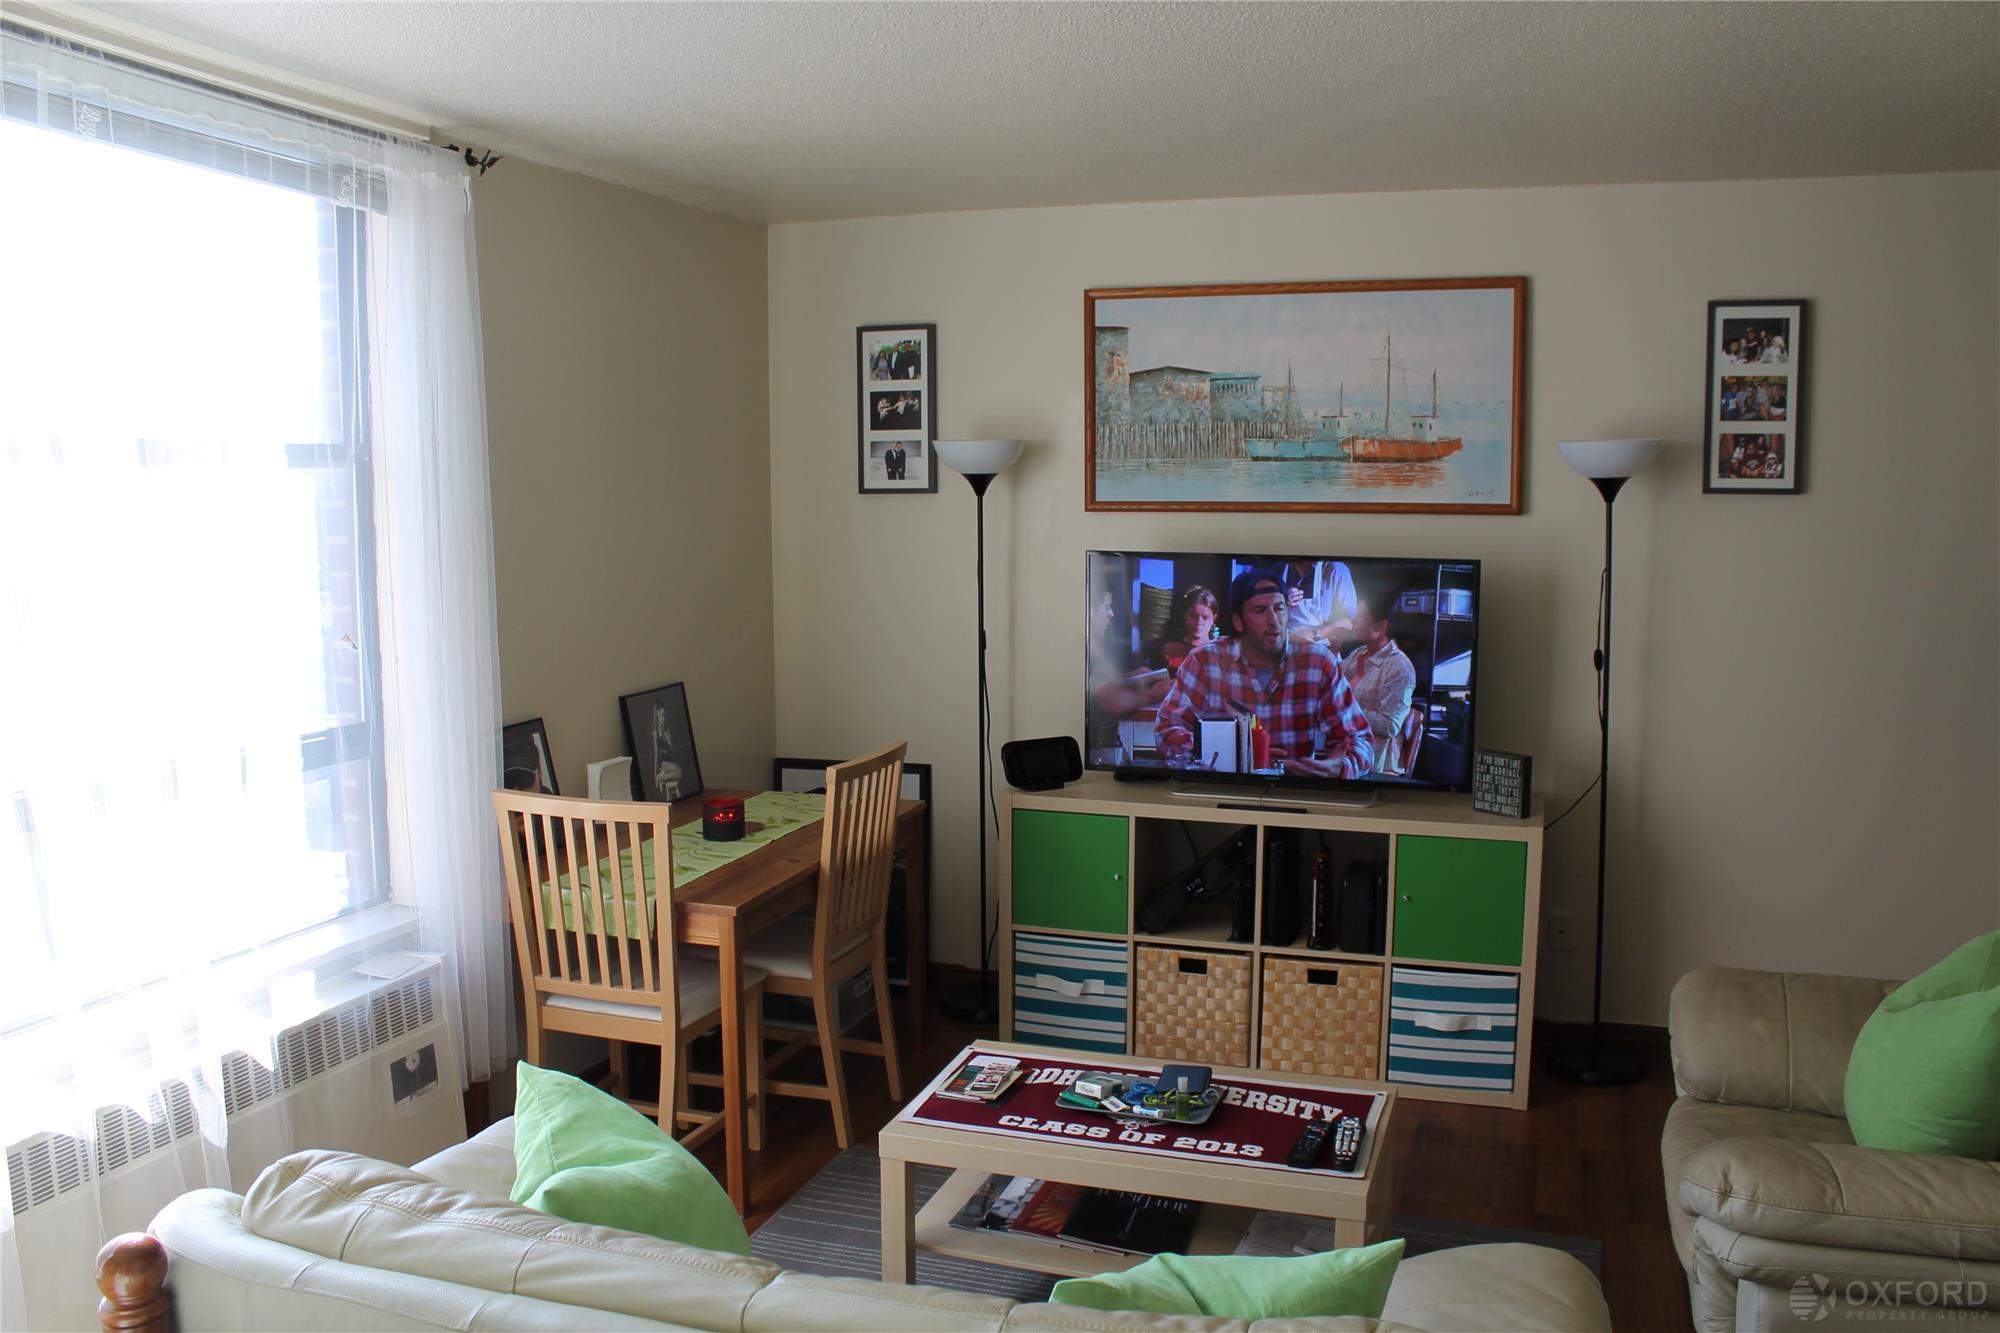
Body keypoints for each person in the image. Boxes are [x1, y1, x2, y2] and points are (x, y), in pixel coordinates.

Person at [1153, 568, 1373, 779]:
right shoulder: (1204, 661)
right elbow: (1168, 727)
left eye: (1279, 608)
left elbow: (1359, 738)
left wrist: (1339, 767)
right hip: (1224, 790)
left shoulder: (1318, 662)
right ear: (1238, 621)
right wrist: (1233, 755)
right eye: (1260, 610)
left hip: (1295, 793)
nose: (1273, 620)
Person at [1341, 586, 1418, 777]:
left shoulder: (1399, 667)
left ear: (1381, 625)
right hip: (1346, 752)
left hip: (1375, 766)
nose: (1354, 621)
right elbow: (1332, 684)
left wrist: (1348, 709)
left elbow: (1390, 725)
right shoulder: (1359, 654)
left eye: (1360, 616)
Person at [1283, 559, 1357, 647]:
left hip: (1321, 646)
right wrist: (1282, 598)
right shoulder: (1281, 567)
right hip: (1284, 644)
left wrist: (1316, 634)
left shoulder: (1336, 568)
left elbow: (1349, 620)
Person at [1153, 585, 1218, 673]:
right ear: (1184, 615)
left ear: (1214, 619)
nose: (1199, 622)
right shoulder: (1169, 649)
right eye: (1193, 616)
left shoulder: (1221, 653)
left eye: (1205, 617)